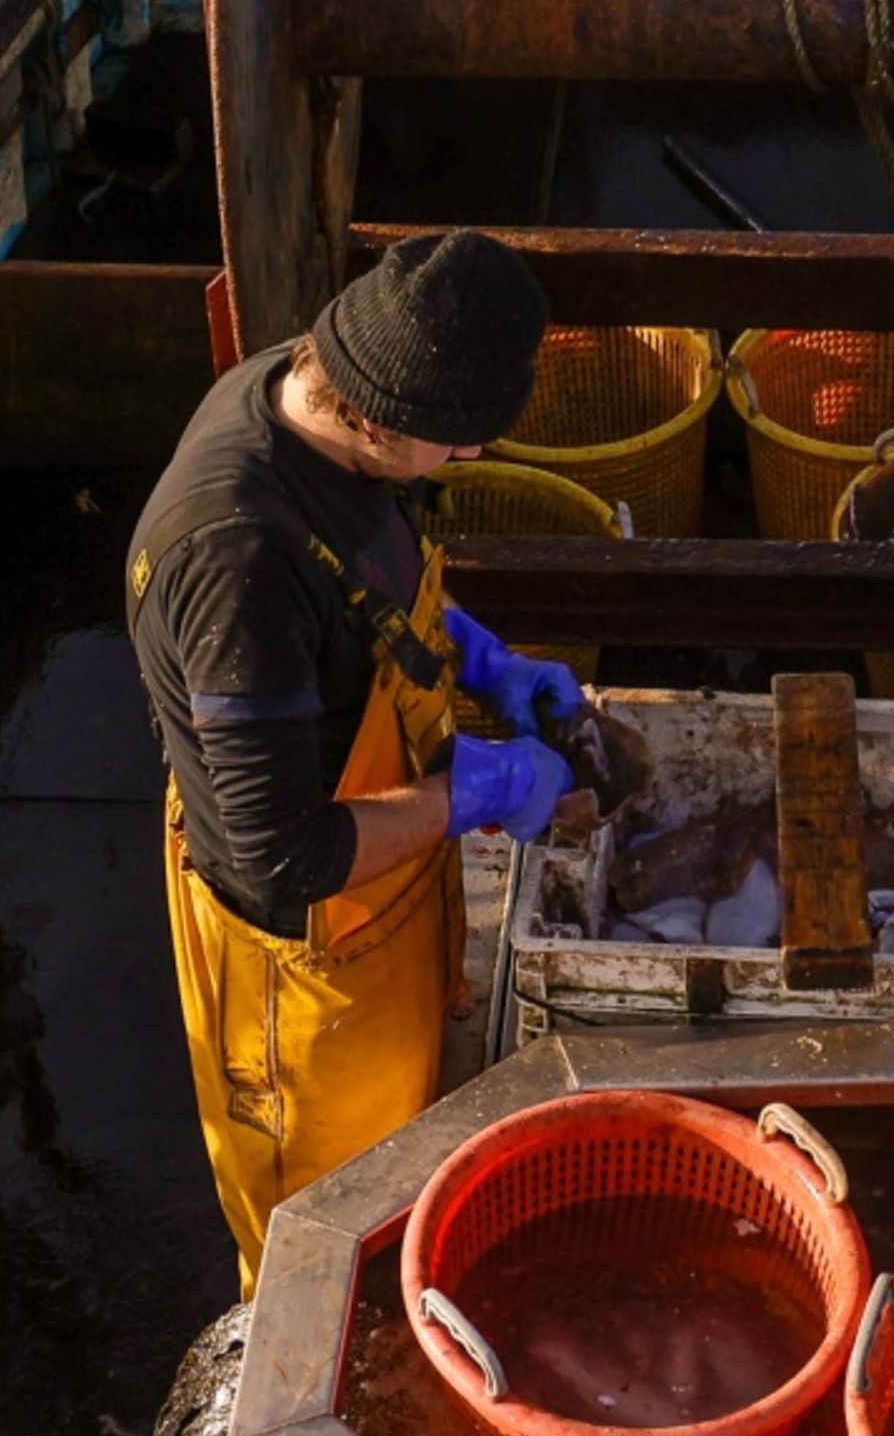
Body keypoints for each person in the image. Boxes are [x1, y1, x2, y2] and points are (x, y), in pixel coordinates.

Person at [128, 230, 586, 1290]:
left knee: (406, 1169)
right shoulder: (235, 558)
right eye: (454, 443)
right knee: (326, 1246)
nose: (468, 458)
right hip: (301, 966)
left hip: (381, 896)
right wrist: (479, 787)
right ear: (375, 418)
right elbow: (277, 853)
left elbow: (364, 581)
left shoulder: (308, 389)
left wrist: (474, 655)